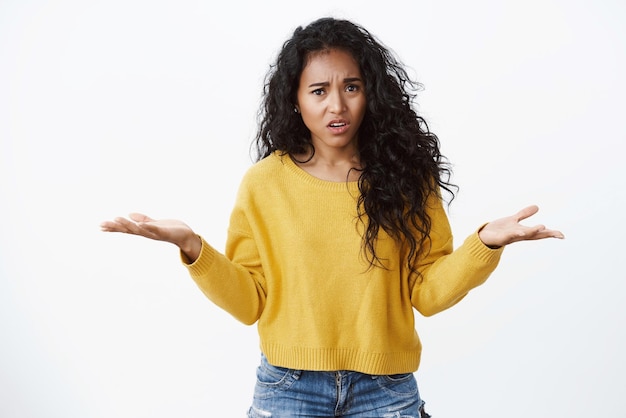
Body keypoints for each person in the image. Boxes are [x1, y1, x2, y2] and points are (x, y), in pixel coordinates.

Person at [100, 17, 564, 418]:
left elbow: (427, 292)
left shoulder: (405, 176)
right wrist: (192, 247)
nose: (337, 106)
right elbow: (250, 303)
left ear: (371, 93)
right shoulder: (265, 183)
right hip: (289, 387)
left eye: (352, 87)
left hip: (385, 388)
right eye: (319, 91)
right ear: (296, 100)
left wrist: (484, 244)